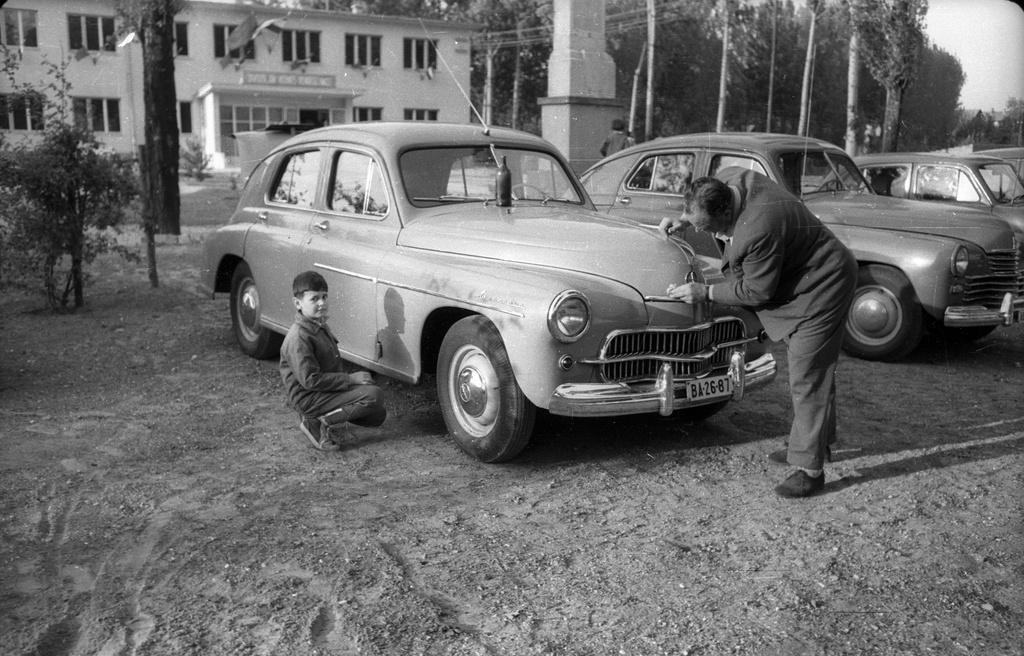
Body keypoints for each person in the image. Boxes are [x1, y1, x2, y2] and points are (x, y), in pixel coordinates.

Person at [659, 168, 857, 498]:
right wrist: (684, 219)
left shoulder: (759, 227)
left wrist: (705, 293)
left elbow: (756, 291)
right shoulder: (730, 181)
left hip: (823, 286)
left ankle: (811, 470)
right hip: (802, 278)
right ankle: (812, 446)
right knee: (815, 372)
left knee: (808, 375)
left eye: (703, 227)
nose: (697, 230)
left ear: (726, 211)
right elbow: (702, 208)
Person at [280, 271, 387, 451]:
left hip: (323, 391)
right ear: (297, 303)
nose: (322, 303)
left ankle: (326, 416)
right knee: (373, 396)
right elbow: (310, 380)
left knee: (377, 415)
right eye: (314, 299)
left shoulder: (317, 324)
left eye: (324, 296)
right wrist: (351, 380)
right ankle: (315, 422)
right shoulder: (299, 337)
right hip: (309, 398)